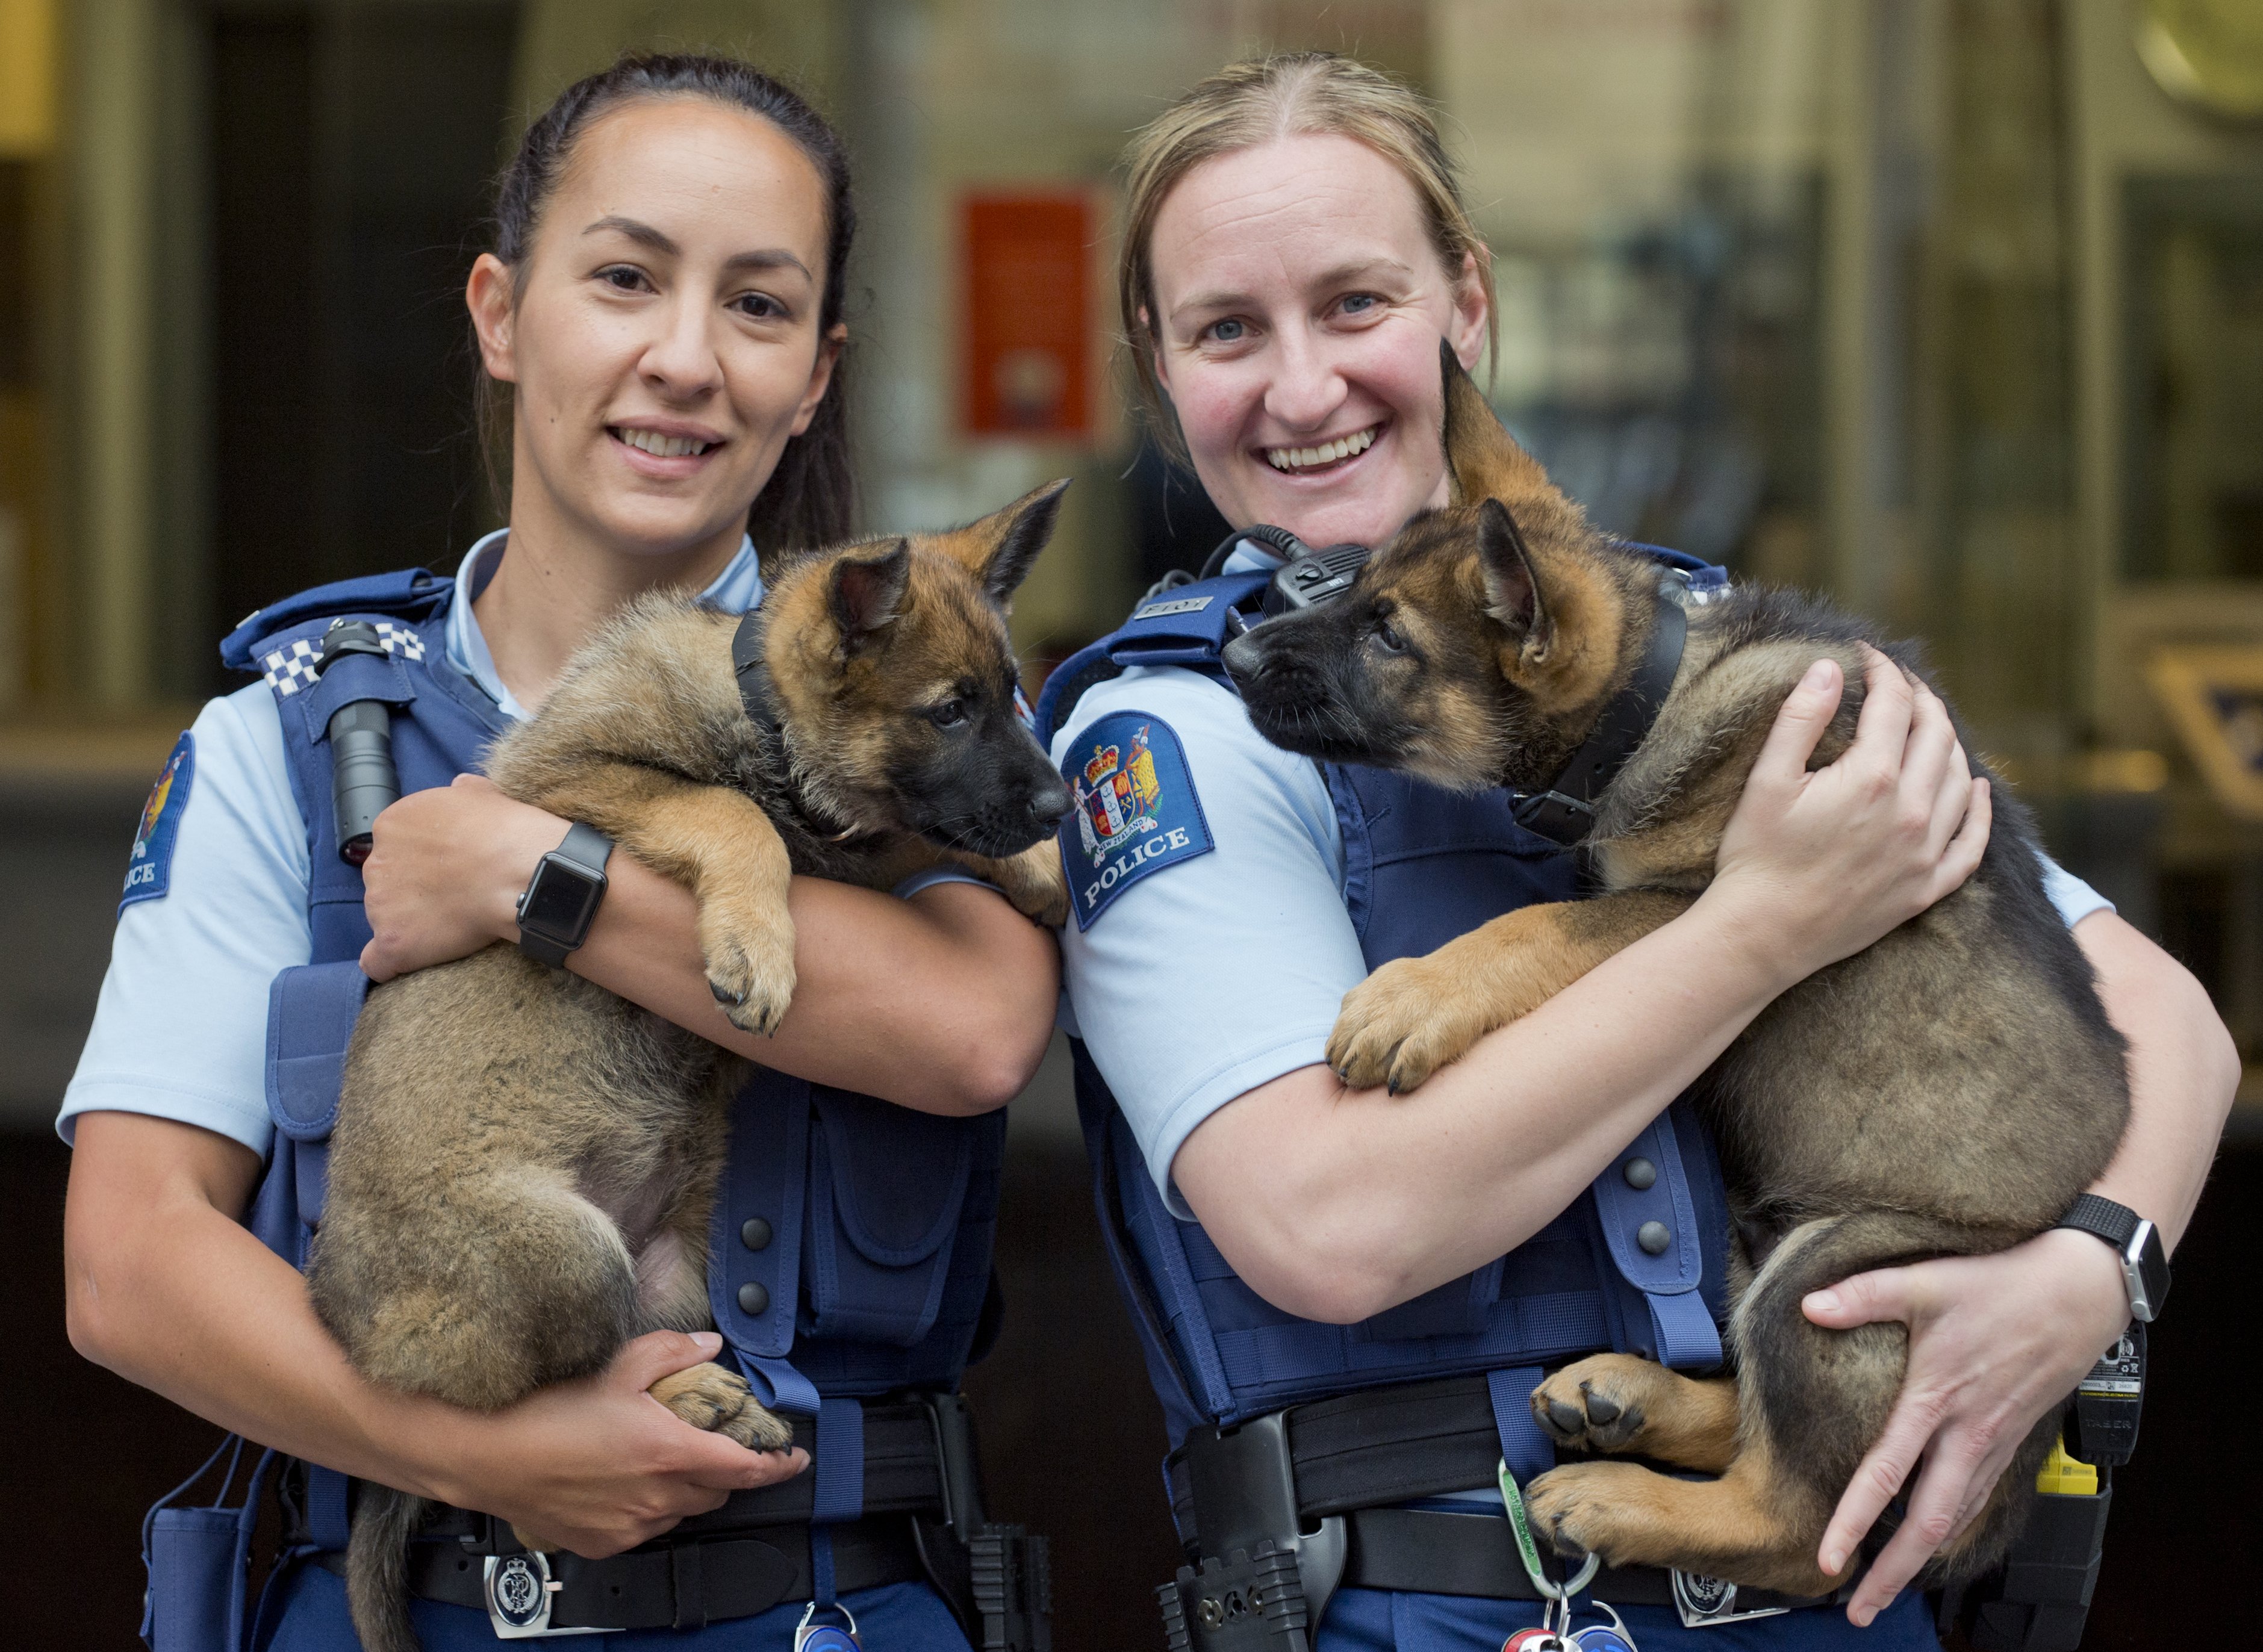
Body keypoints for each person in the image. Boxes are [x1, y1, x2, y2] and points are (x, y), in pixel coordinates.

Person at [1040, 53, 2237, 1650]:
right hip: (1448, 1605)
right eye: (1227, 329)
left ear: (1467, 306)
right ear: (1158, 362)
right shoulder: (1177, 736)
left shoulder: (1680, 653)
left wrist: (2094, 1276)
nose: (1305, 386)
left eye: (1357, 303)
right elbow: (1335, 1228)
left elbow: (2171, 1022)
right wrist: (1767, 920)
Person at [61, 55, 1059, 1650]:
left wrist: (534, 877)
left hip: (824, 1606)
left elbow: (973, 1028)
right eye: (623, 278)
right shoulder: (298, 737)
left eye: (758, 306)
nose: (685, 359)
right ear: (501, 313)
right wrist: (486, 1450)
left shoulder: (892, 687)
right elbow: (127, 1262)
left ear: (816, 374)